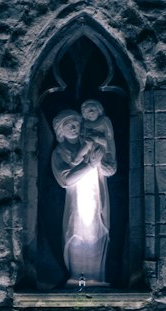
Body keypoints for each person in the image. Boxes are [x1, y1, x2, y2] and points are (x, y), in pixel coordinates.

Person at [50, 101, 116, 286]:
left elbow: (109, 167)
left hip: (96, 196)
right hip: (78, 202)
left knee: (97, 232)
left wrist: (104, 158)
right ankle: (78, 278)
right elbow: (66, 180)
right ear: (60, 130)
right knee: (77, 234)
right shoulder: (60, 152)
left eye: (76, 124)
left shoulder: (91, 144)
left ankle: (96, 277)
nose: (74, 127)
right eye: (68, 124)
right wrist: (89, 165)